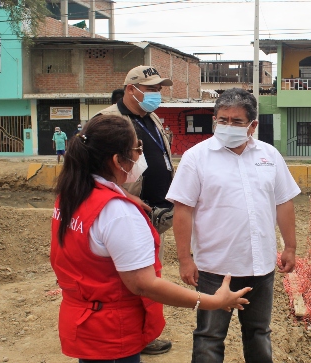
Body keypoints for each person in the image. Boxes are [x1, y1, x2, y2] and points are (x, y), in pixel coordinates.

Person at [50, 114, 250, 363]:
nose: (139, 155)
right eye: (137, 148)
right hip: (112, 330)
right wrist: (212, 301)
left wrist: (120, 196)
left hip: (86, 321)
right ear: (117, 160)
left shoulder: (73, 195)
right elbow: (144, 284)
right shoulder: (117, 213)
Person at [166, 88, 300, 363]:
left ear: (252, 125)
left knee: (259, 332)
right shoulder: (196, 158)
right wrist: (184, 259)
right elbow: (183, 210)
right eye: (222, 119)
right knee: (209, 336)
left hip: (260, 266)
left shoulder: (270, 156)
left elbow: (283, 202)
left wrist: (290, 246)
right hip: (215, 268)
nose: (228, 126)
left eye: (237, 121)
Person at [93, 65, 176, 355]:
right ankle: (126, 336)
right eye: (151, 88)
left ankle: (144, 332)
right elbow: (94, 173)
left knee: (150, 276)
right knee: (128, 279)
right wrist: (126, 199)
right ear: (132, 89)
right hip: (126, 214)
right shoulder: (107, 121)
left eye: (159, 89)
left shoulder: (150, 117)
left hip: (155, 215)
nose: (157, 94)